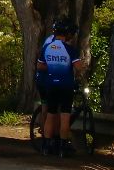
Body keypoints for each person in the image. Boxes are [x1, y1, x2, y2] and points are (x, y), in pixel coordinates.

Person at [34, 18, 87, 157]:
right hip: (66, 86)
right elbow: (78, 67)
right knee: (64, 116)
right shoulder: (70, 49)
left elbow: (40, 66)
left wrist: (52, 67)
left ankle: (46, 146)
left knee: (51, 115)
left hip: (51, 85)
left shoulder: (47, 47)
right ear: (67, 34)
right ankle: (62, 147)